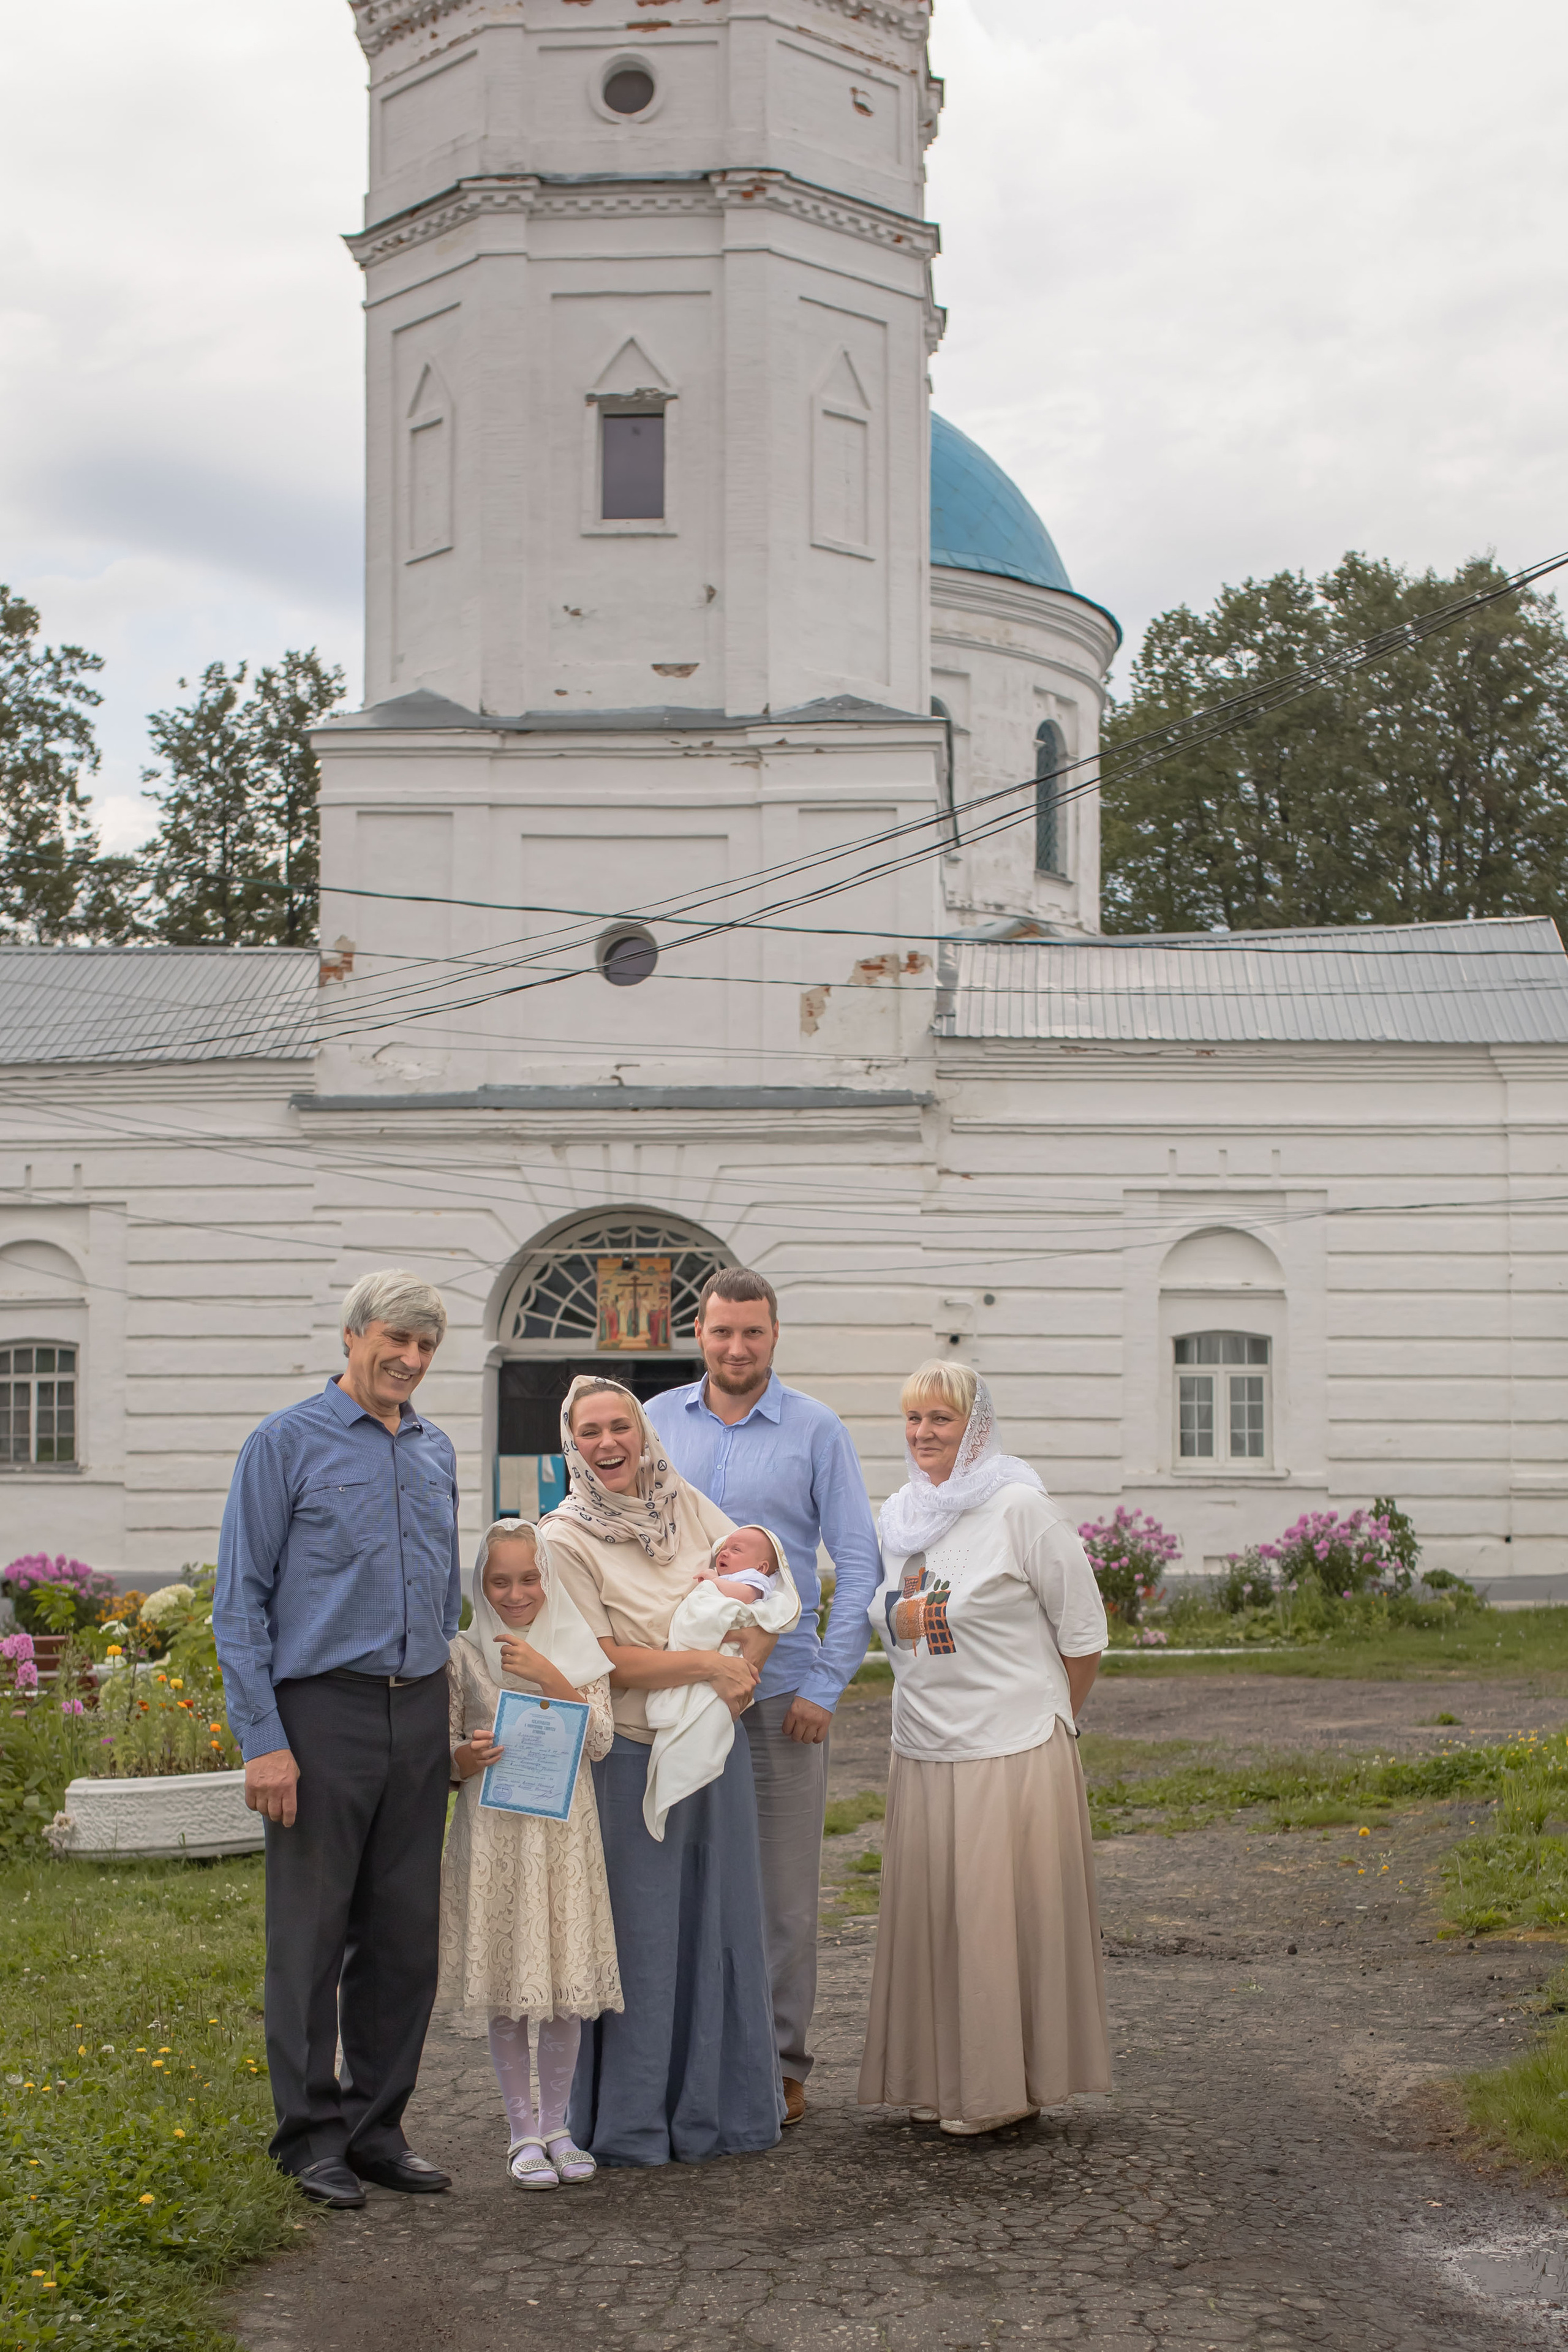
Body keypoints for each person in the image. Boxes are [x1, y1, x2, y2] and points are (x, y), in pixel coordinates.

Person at [213, 1271, 461, 2210]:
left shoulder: (435, 1450)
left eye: (426, 1346)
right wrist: (264, 1740)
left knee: (404, 1940)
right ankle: (309, 2138)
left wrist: (449, 1718)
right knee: (311, 1937)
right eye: (396, 1339)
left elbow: (444, 1595)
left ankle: (376, 2130)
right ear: (353, 1336)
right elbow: (239, 1602)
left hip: (419, 1710)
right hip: (321, 1714)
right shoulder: (284, 1444)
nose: (410, 1359)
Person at [646, 1268, 883, 2125]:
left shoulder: (816, 1430)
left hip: (781, 1706)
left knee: (781, 1900)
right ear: (699, 1335)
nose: (737, 1347)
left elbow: (858, 1560)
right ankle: (684, 2063)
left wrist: (825, 1683)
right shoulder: (655, 1422)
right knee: (676, 1888)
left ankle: (779, 2067)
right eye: (722, 1332)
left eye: (752, 1332)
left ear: (774, 1334)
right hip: (676, 1699)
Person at [858, 1360, 1111, 2136]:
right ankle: (940, 2080)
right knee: (936, 1921)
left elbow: (1083, 1634)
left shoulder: (1019, 1507)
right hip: (924, 1745)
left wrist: (1047, 1725)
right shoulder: (899, 1515)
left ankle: (1004, 2089)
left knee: (995, 1924)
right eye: (913, 1418)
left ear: (977, 1429)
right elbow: (891, 1614)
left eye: (942, 1418)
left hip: (1010, 1752)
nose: (924, 1433)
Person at [541, 1374, 786, 2166]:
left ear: (643, 1434)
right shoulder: (562, 1539)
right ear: (571, 1445)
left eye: (620, 1427)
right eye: (590, 1432)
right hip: (630, 1757)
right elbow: (602, 1660)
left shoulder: (685, 1503)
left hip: (714, 1746)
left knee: (723, 1926)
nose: (608, 1444)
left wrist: (743, 1668)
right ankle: (635, 2122)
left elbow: (768, 1587)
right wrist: (707, 1667)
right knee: (643, 1941)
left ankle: (723, 2116)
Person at [440, 1519, 622, 2190]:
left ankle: (559, 2127)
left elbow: (600, 1741)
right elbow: (444, 1757)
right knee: (510, 1986)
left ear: (547, 1579)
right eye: (500, 1581)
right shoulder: (462, 1654)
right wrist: (467, 1756)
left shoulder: (576, 1647)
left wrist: (550, 1676)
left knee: (564, 1983)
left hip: (564, 1833)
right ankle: (522, 2131)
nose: (516, 1594)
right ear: (481, 1585)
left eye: (528, 1578)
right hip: (495, 1835)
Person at [644, 1527, 801, 1842]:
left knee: (702, 1709)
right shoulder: (729, 1577)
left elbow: (743, 1599)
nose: (725, 1553)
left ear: (762, 1567)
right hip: (708, 1658)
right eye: (724, 1548)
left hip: (724, 1651)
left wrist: (712, 1583)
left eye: (736, 1550)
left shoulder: (755, 1582)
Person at [696, 1525, 786, 1602]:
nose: (723, 1553)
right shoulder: (716, 1573)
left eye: (736, 1550)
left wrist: (714, 1580)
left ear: (760, 1568)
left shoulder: (755, 1579)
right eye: (723, 1549)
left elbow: (746, 1596)